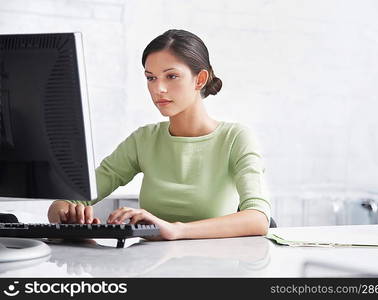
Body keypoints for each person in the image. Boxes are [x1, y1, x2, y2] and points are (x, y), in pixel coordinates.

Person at [47, 29, 271, 240]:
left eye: (171, 76)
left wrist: (174, 230)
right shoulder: (144, 139)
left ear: (200, 79)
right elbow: (64, 202)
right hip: (153, 266)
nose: (158, 89)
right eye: (151, 78)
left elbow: (259, 219)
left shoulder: (235, 138)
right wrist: (69, 215)